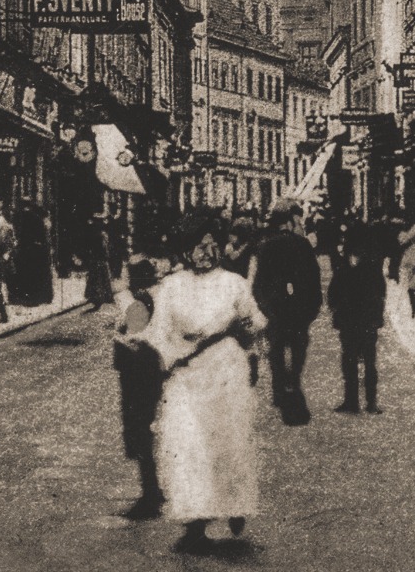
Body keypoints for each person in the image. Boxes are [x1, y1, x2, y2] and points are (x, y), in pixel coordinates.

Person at [144, 216, 264, 550]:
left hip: (226, 373)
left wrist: (246, 329)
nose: (206, 253)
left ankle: (233, 505)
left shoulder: (234, 283)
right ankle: (196, 522)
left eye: (212, 246)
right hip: (187, 374)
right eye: (199, 246)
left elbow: (255, 321)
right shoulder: (172, 286)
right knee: (188, 445)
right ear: (186, 249)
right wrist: (172, 354)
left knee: (226, 443)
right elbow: (158, 330)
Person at [252, 198, 322, 424]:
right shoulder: (302, 245)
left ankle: (279, 390)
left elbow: (258, 285)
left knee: (276, 351)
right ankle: (293, 382)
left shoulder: (265, 246)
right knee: (298, 348)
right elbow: (314, 280)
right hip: (299, 310)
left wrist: (265, 309)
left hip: (275, 311)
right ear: (291, 221)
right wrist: (312, 309)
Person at [113, 257, 164, 521]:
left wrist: (119, 336)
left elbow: (134, 337)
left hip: (137, 376)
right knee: (143, 431)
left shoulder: (139, 302)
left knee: (138, 432)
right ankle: (153, 491)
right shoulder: (151, 298)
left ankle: (151, 495)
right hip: (149, 373)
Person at [328, 221, 386, 414]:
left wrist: (334, 305)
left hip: (351, 317)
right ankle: (370, 402)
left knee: (351, 360)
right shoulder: (373, 261)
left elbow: (335, 288)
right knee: (368, 360)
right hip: (366, 317)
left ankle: (352, 401)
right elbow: (381, 290)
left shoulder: (345, 261)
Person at [12, 201, 54, 306]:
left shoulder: (22, 217)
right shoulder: (37, 219)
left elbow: (20, 234)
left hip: (28, 250)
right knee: (40, 274)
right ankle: (43, 296)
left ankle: (31, 297)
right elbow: (44, 236)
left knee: (29, 274)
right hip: (38, 250)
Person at [84, 208, 116, 309]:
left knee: (98, 279)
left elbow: (103, 248)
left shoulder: (99, 235)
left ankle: (98, 298)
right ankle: (99, 297)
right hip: (99, 259)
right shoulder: (100, 234)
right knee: (99, 279)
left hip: (98, 259)